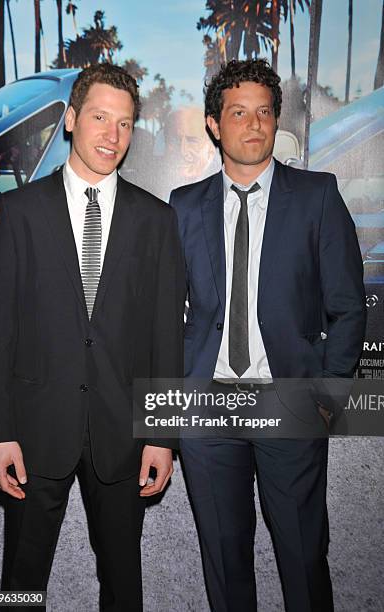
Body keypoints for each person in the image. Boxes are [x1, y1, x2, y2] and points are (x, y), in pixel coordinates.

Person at [0, 63, 184, 611]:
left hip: (124, 440)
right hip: (32, 434)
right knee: (19, 587)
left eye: (123, 123)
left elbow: (167, 337)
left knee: (124, 587)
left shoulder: (156, 221)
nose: (111, 135)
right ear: (71, 120)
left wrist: (164, 437)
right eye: (99, 117)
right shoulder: (20, 212)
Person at [169, 59, 366, 612]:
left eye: (264, 113)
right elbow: (166, 314)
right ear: (214, 124)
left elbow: (348, 308)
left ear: (277, 121)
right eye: (239, 113)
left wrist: (324, 399)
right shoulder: (184, 208)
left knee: (304, 562)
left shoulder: (317, 196)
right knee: (226, 570)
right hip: (207, 415)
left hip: (290, 407)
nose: (254, 126)